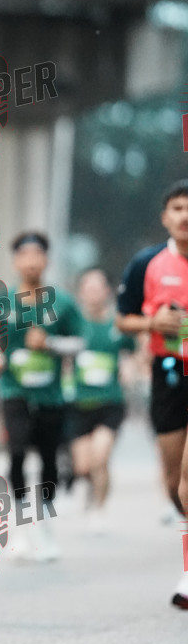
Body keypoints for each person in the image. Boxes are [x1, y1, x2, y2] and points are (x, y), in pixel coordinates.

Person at [116, 181, 188, 606]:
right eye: (177, 208)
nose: (185, 216)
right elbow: (122, 319)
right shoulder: (147, 263)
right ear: (165, 217)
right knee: (174, 482)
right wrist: (152, 324)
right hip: (168, 373)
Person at [0, 233, 84, 562]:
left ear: (46, 259)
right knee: (17, 453)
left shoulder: (62, 302)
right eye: (25, 254)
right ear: (16, 260)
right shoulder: (3, 301)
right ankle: (21, 528)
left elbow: (80, 342)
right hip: (14, 390)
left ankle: (45, 525)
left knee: (48, 458)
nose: (32, 261)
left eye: (38, 254)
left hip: (50, 395)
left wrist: (50, 344)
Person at [70, 268, 135, 530]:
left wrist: (129, 369)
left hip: (110, 401)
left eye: (98, 288)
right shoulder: (74, 324)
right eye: (88, 289)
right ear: (81, 292)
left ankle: (99, 508)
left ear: (107, 291)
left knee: (100, 457)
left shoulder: (117, 325)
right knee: (83, 466)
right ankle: (91, 490)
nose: (93, 294)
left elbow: (132, 353)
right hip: (79, 402)